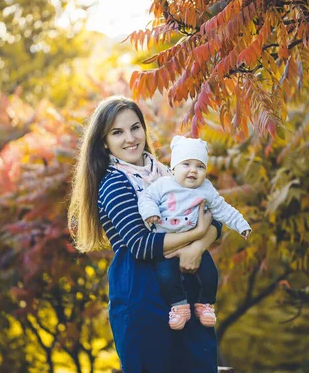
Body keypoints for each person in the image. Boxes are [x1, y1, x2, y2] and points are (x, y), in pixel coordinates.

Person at [67, 95, 223, 373]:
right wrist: (197, 232)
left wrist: (198, 247)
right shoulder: (114, 183)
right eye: (117, 132)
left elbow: (216, 218)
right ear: (104, 142)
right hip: (141, 293)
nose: (130, 138)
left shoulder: (169, 176)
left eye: (135, 127)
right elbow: (141, 245)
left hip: (187, 291)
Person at [138, 135, 251, 330]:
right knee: (166, 275)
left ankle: (205, 304)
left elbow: (223, 209)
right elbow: (146, 198)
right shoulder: (163, 185)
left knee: (210, 274)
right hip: (168, 243)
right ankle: (179, 306)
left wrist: (241, 225)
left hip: (193, 244)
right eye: (186, 164)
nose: (193, 170)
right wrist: (151, 213)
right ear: (174, 168)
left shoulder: (206, 189)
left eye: (200, 166)